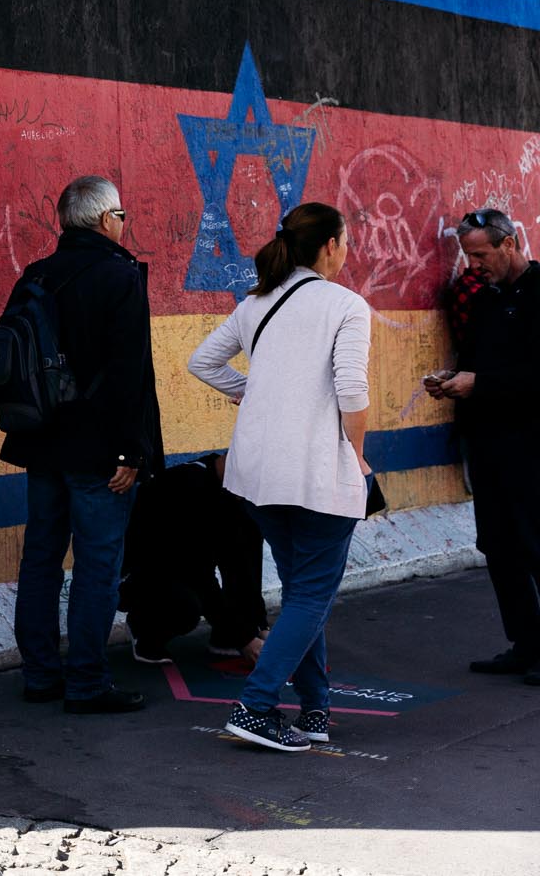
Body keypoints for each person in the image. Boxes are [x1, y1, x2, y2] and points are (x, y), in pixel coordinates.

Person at [188, 202, 372, 753]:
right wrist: (358, 456)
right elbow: (352, 391)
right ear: (330, 246)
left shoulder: (255, 303)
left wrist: (255, 393)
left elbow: (202, 362)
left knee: (300, 594)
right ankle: (255, 706)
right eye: (346, 241)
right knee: (312, 596)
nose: (348, 250)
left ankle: (315, 710)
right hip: (315, 473)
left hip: (257, 476)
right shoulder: (345, 305)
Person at [1, 174, 164, 713]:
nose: (123, 224)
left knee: (41, 558)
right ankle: (87, 682)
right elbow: (130, 373)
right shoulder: (119, 276)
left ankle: (40, 675)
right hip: (100, 452)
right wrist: (132, 452)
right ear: (104, 220)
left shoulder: (35, 275)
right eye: (122, 215)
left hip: (41, 442)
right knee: (97, 564)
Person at [423, 208, 540, 681]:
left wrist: (481, 384)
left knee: (535, 544)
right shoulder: (486, 299)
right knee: (498, 546)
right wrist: (451, 381)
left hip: (531, 446)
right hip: (487, 445)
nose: (472, 265)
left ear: (508, 244)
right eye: (467, 256)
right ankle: (525, 645)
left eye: (480, 255)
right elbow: (476, 363)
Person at [121, 453, 268, 665]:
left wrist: (258, 626)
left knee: (245, 534)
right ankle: (143, 630)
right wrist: (245, 640)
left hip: (180, 571)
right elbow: (199, 577)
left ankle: (228, 636)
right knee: (185, 607)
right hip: (139, 576)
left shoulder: (228, 489)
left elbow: (245, 564)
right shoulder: (186, 487)